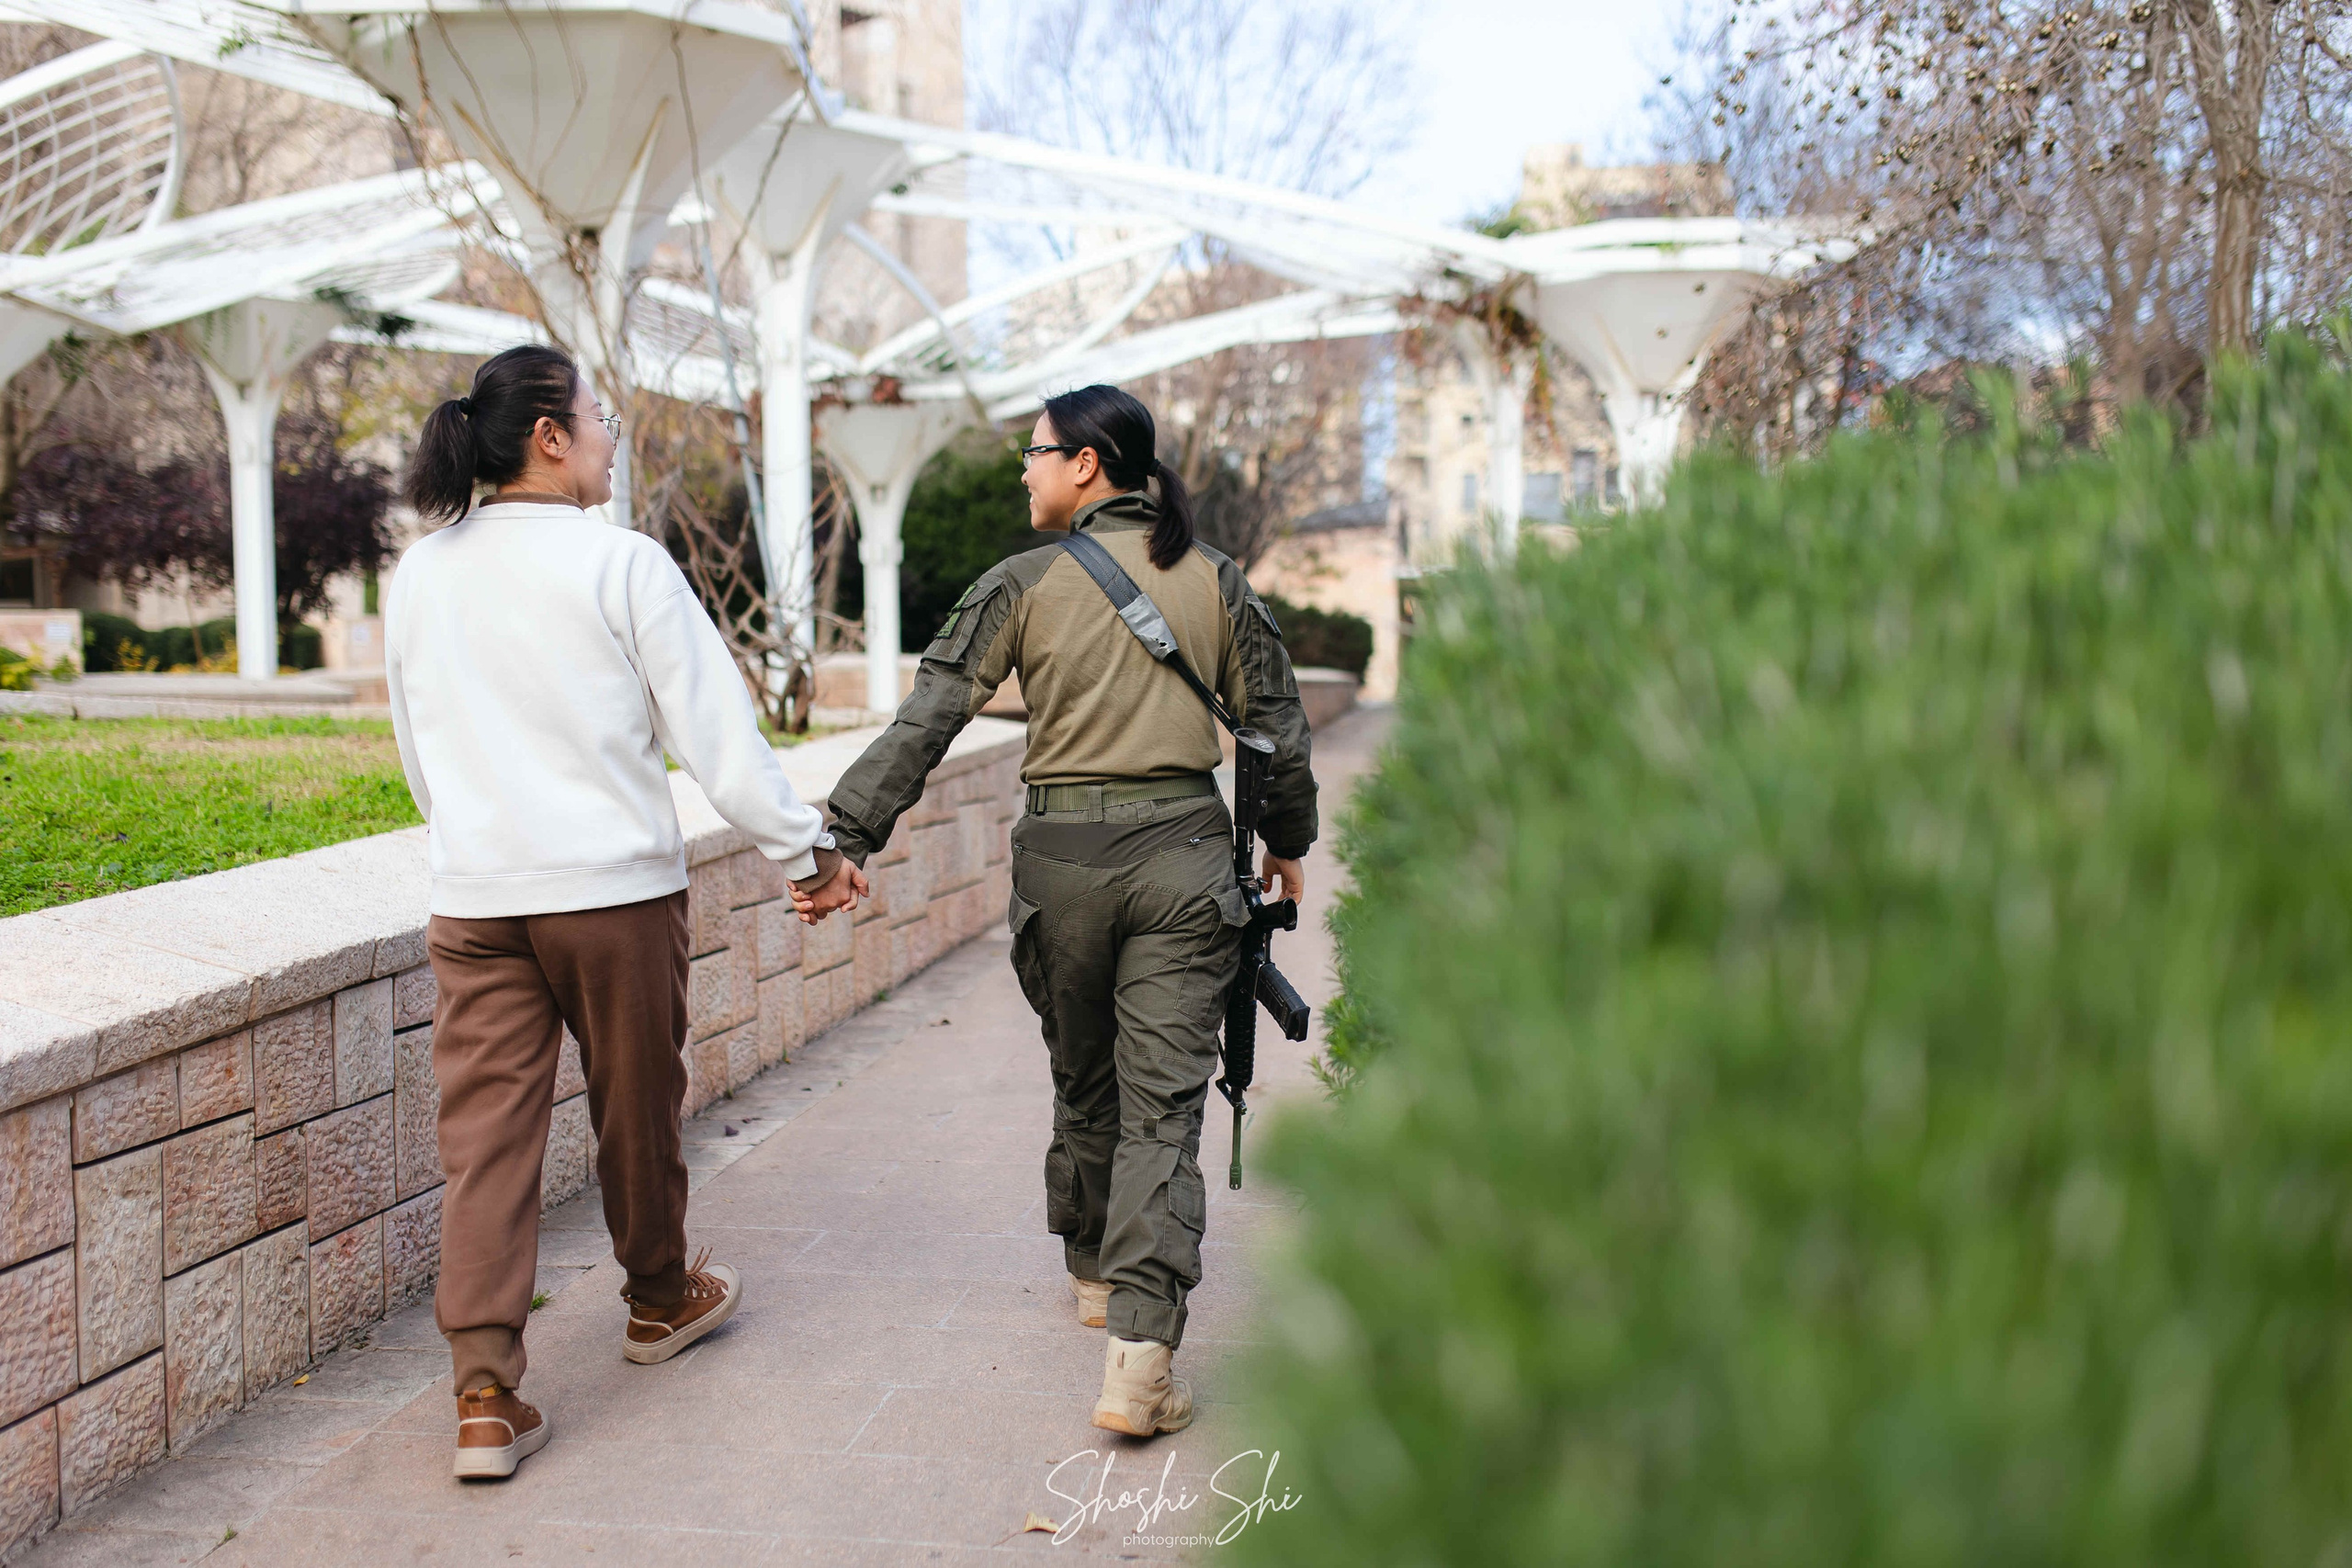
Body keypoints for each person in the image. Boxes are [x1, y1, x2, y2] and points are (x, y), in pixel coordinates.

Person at [384, 344, 867, 1480]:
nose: (609, 435)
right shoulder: (623, 565)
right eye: (597, 417)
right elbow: (716, 738)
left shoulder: (423, 573)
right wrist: (808, 854)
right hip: (611, 896)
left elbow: (420, 753)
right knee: (636, 1105)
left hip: (479, 898)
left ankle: (485, 1399)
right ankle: (658, 1301)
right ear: (549, 436)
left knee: (485, 1144)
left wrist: (479, 845)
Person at [818, 383, 1317, 1436]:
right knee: (1160, 1109)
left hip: (1061, 867)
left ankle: (1096, 1276)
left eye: (1036, 453)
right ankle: (1140, 1354)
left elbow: (928, 722)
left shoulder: (1021, 583)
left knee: (1085, 1078)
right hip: (1184, 863)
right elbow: (1276, 727)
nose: (1025, 470)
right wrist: (1286, 844)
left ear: (1087, 464)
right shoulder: (1217, 581)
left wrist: (845, 838)